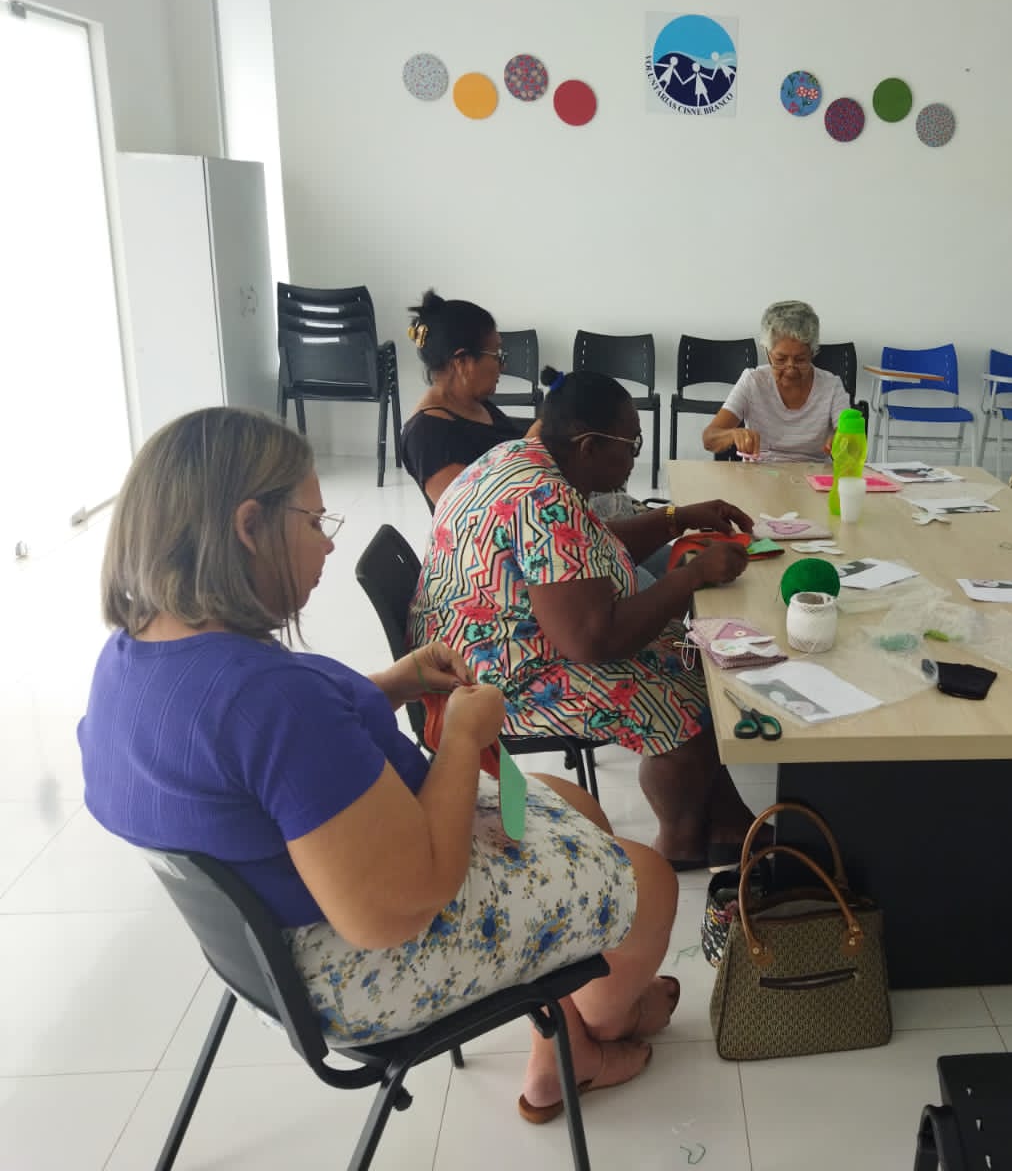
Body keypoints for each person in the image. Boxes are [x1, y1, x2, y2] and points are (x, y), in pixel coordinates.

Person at [79, 408, 679, 1122]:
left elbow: (264, 762)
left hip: (267, 952)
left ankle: (567, 1032)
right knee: (649, 880)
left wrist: (394, 684)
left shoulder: (130, 661)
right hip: (362, 971)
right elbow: (402, 905)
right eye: (313, 523)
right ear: (248, 526)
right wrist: (462, 739)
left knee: (562, 801)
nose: (329, 544)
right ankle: (600, 1030)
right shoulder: (268, 702)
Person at [411, 370, 762, 870]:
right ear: (589, 446)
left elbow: (592, 544)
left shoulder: (520, 457)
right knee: (686, 694)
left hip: (472, 647)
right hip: (491, 683)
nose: (635, 456)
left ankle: (726, 821)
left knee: (689, 650)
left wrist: (677, 519)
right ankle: (680, 845)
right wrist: (693, 575)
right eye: (630, 444)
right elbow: (594, 640)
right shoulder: (544, 497)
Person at [398, 289, 535, 508]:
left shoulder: (474, 404)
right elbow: (473, 512)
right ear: (462, 362)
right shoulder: (426, 435)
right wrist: (534, 444)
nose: (503, 365)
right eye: (497, 355)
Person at [702, 300, 851, 462]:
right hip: (760, 473)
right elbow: (709, 438)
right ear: (767, 352)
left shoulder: (831, 386)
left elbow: (849, 435)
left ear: (813, 352)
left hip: (813, 473)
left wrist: (842, 439)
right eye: (780, 359)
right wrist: (732, 434)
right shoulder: (753, 382)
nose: (790, 369)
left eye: (800, 359)